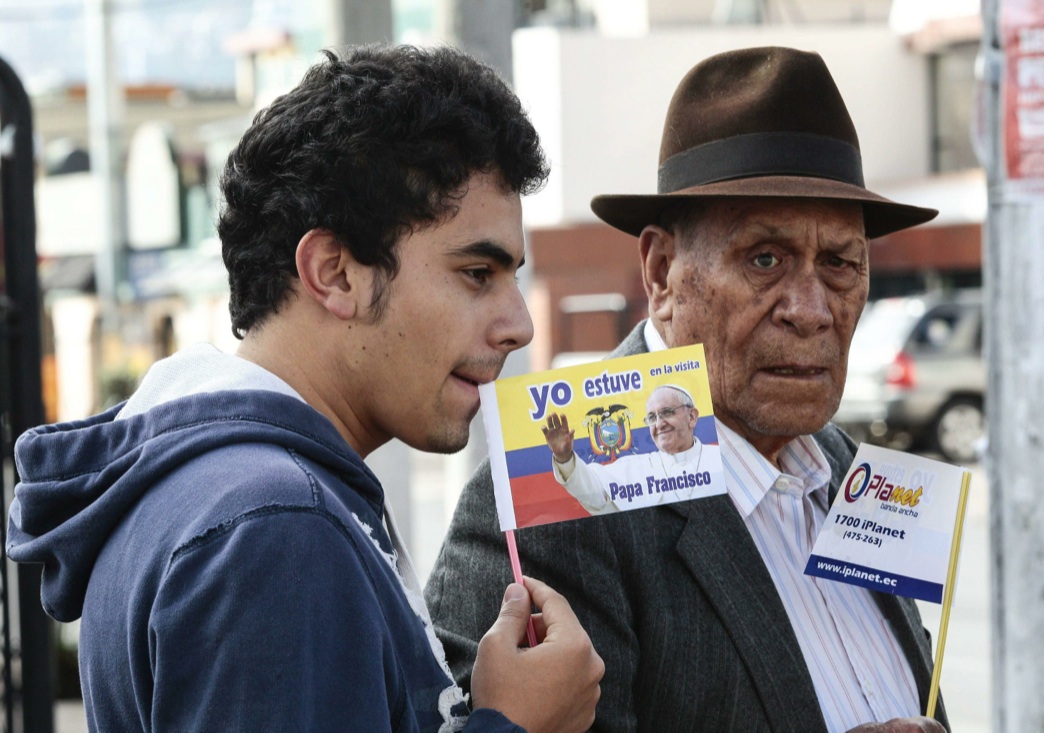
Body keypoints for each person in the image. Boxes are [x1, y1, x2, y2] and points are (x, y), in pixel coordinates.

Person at [7, 45, 603, 732]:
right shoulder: (274, 526)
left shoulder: (229, 494)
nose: (519, 325)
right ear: (334, 273)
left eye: (513, 277)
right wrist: (518, 724)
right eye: (477, 273)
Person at [426, 47, 950, 732]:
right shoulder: (552, 500)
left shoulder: (851, 473)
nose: (812, 308)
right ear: (663, 270)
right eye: (765, 259)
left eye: (840, 264)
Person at [542, 385, 721, 514]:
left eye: (667, 412)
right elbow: (595, 490)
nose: (659, 424)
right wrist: (564, 458)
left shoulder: (718, 459)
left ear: (692, 417)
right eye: (652, 417)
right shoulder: (635, 468)